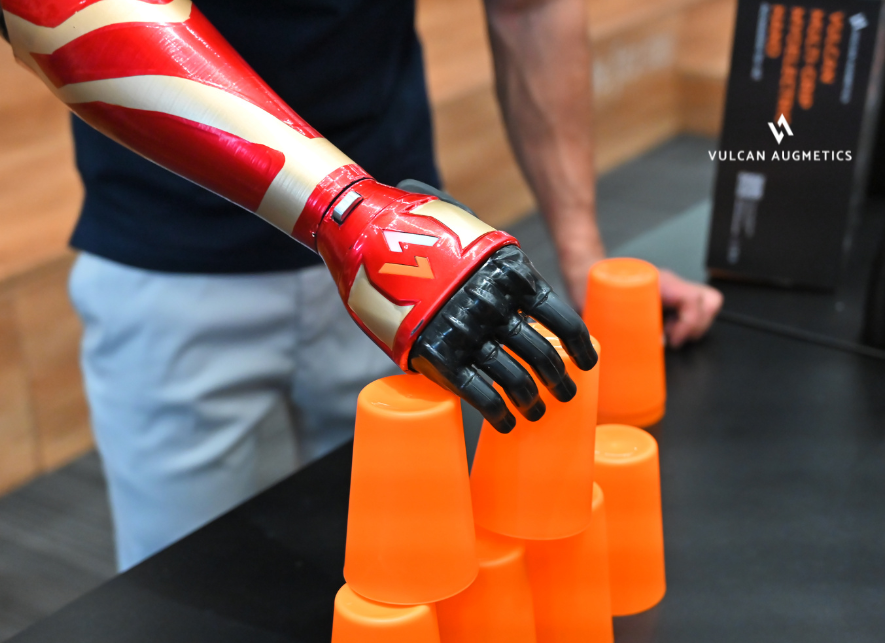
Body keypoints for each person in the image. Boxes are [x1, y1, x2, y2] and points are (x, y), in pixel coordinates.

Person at [0, 0, 722, 570]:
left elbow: (529, 8)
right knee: (175, 609)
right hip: (173, 254)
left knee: (410, 576)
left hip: (408, 265)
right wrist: (349, 214)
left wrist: (588, 261)